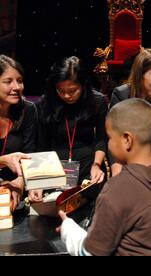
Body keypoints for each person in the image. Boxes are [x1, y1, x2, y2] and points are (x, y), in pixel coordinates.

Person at [58, 98, 151, 256]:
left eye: (110, 137)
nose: (108, 144)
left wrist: (68, 229)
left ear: (127, 140)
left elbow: (89, 253)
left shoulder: (117, 188)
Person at [29, 57, 107, 202]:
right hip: (53, 169)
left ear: (83, 85)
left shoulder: (97, 101)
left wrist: (97, 165)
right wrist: (38, 181)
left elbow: (101, 139)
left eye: (72, 90)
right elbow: (42, 145)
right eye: (60, 90)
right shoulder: (46, 104)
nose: (66, 96)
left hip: (88, 167)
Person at [0, 55, 38, 210]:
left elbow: (30, 154)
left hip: (13, 191)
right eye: (8, 81)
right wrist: (3, 160)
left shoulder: (27, 110)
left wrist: (20, 181)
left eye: (20, 80)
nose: (17, 87)